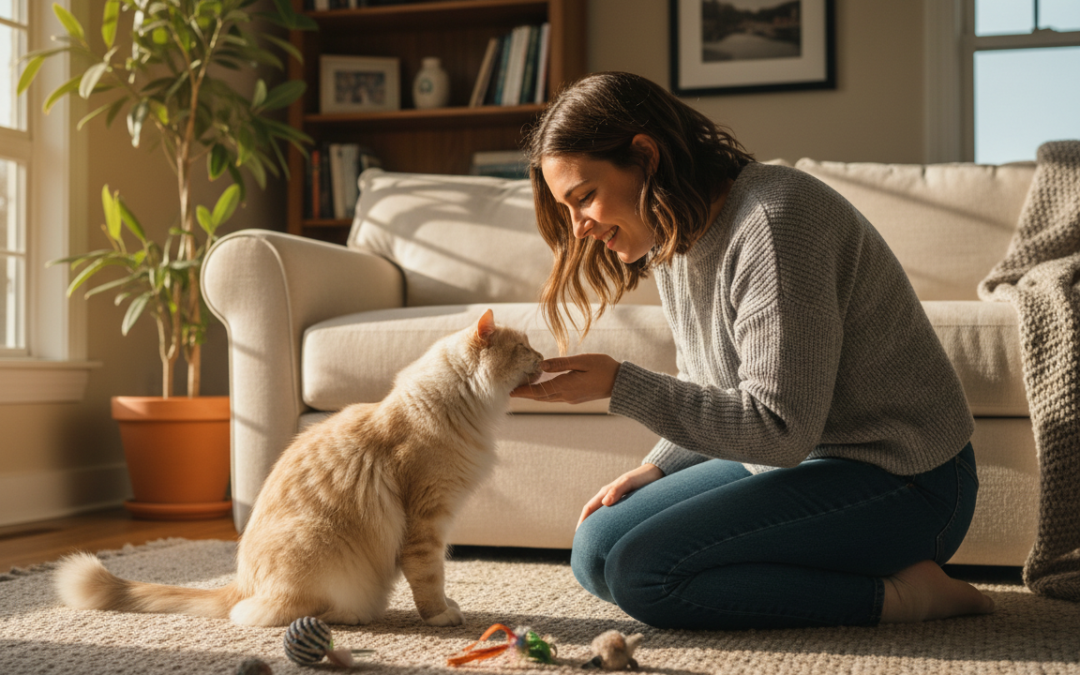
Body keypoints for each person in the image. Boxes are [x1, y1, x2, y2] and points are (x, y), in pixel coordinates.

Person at [510, 71, 996, 630]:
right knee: (597, 549)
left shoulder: (774, 220)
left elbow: (780, 429)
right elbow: (711, 386)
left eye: (585, 197)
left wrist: (617, 385)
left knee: (643, 575)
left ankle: (907, 597)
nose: (579, 229)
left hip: (904, 479)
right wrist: (658, 466)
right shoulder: (676, 231)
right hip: (798, 462)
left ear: (644, 157)